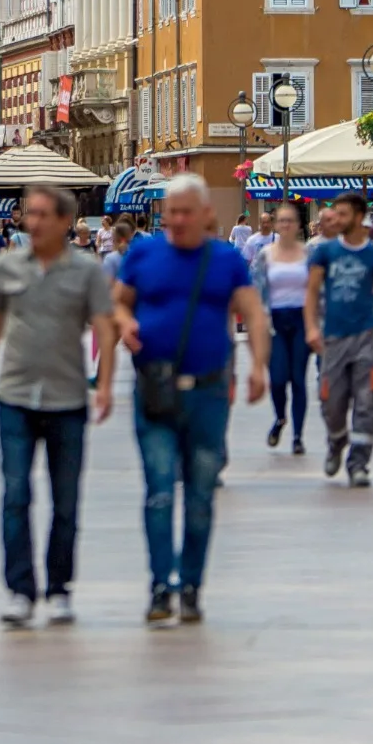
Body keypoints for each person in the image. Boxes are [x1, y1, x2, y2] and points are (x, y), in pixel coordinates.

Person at [112, 174, 268, 625]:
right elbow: (117, 302)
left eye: (185, 212)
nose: (177, 220)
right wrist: (124, 322)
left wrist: (258, 366)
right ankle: (161, 585)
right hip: (154, 390)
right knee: (160, 491)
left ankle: (192, 585)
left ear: (206, 215)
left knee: (200, 497)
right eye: (171, 213)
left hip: (208, 393)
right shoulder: (143, 254)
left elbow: (253, 313)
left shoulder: (225, 260)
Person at [0, 184, 117, 627]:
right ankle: (20, 590)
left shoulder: (86, 271)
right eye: (29, 214)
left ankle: (60, 588)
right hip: (15, 395)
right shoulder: (7, 265)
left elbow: (105, 327)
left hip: (67, 397)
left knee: (65, 500)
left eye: (42, 214)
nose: (33, 222)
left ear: (65, 221)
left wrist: (105, 385)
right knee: (16, 495)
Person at [304, 192, 373, 487]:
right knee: (330, 401)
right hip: (332, 337)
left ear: (358, 216)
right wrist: (311, 328)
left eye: (343, 214)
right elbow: (311, 292)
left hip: (366, 337)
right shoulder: (325, 252)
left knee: (366, 402)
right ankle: (336, 440)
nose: (336, 219)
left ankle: (359, 463)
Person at [251, 203, 313, 457]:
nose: (286, 225)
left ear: (298, 225)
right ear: (276, 225)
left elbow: (316, 289)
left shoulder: (308, 254)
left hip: (301, 318)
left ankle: (298, 436)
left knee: (298, 378)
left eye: (291, 221)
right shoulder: (266, 255)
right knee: (277, 378)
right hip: (274, 319)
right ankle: (280, 418)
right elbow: (256, 289)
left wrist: (315, 324)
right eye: (282, 221)